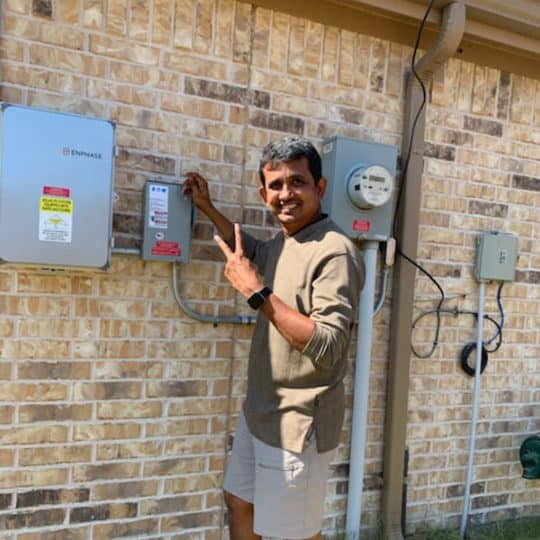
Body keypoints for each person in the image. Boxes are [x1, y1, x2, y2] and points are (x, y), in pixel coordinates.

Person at [183, 136, 364, 540]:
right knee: (239, 502)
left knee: (291, 533)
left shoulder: (335, 253)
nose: (286, 194)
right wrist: (207, 208)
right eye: (276, 185)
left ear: (319, 187)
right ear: (263, 192)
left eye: (297, 182)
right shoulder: (287, 242)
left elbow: (329, 347)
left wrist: (257, 293)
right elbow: (251, 253)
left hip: (298, 421)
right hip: (261, 411)